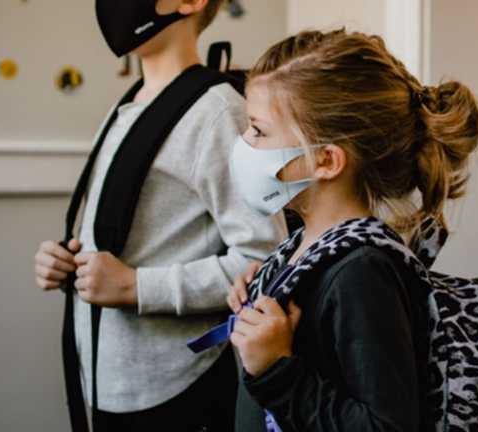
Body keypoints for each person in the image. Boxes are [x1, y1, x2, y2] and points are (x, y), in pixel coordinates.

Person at [33, 0, 286, 430]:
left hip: (173, 386)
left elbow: (264, 258)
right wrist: (64, 259)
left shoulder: (216, 112)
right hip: (103, 378)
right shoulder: (127, 107)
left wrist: (136, 286)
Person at [226, 29, 478, 431]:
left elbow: (386, 425)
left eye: (259, 131)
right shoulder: (309, 244)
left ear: (326, 160)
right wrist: (265, 290)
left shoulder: (361, 273)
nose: (244, 143)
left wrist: (277, 369)